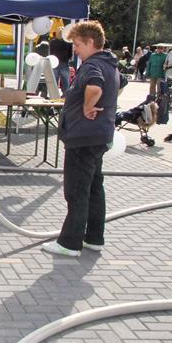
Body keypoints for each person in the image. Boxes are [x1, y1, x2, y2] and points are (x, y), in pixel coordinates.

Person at [42, 20, 119, 257]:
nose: (74, 49)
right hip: (98, 136)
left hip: (83, 138)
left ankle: (69, 243)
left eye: (77, 44)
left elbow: (95, 88)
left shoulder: (92, 65)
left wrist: (87, 107)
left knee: (77, 191)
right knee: (95, 188)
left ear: (91, 42)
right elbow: (119, 86)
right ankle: (94, 237)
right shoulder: (111, 64)